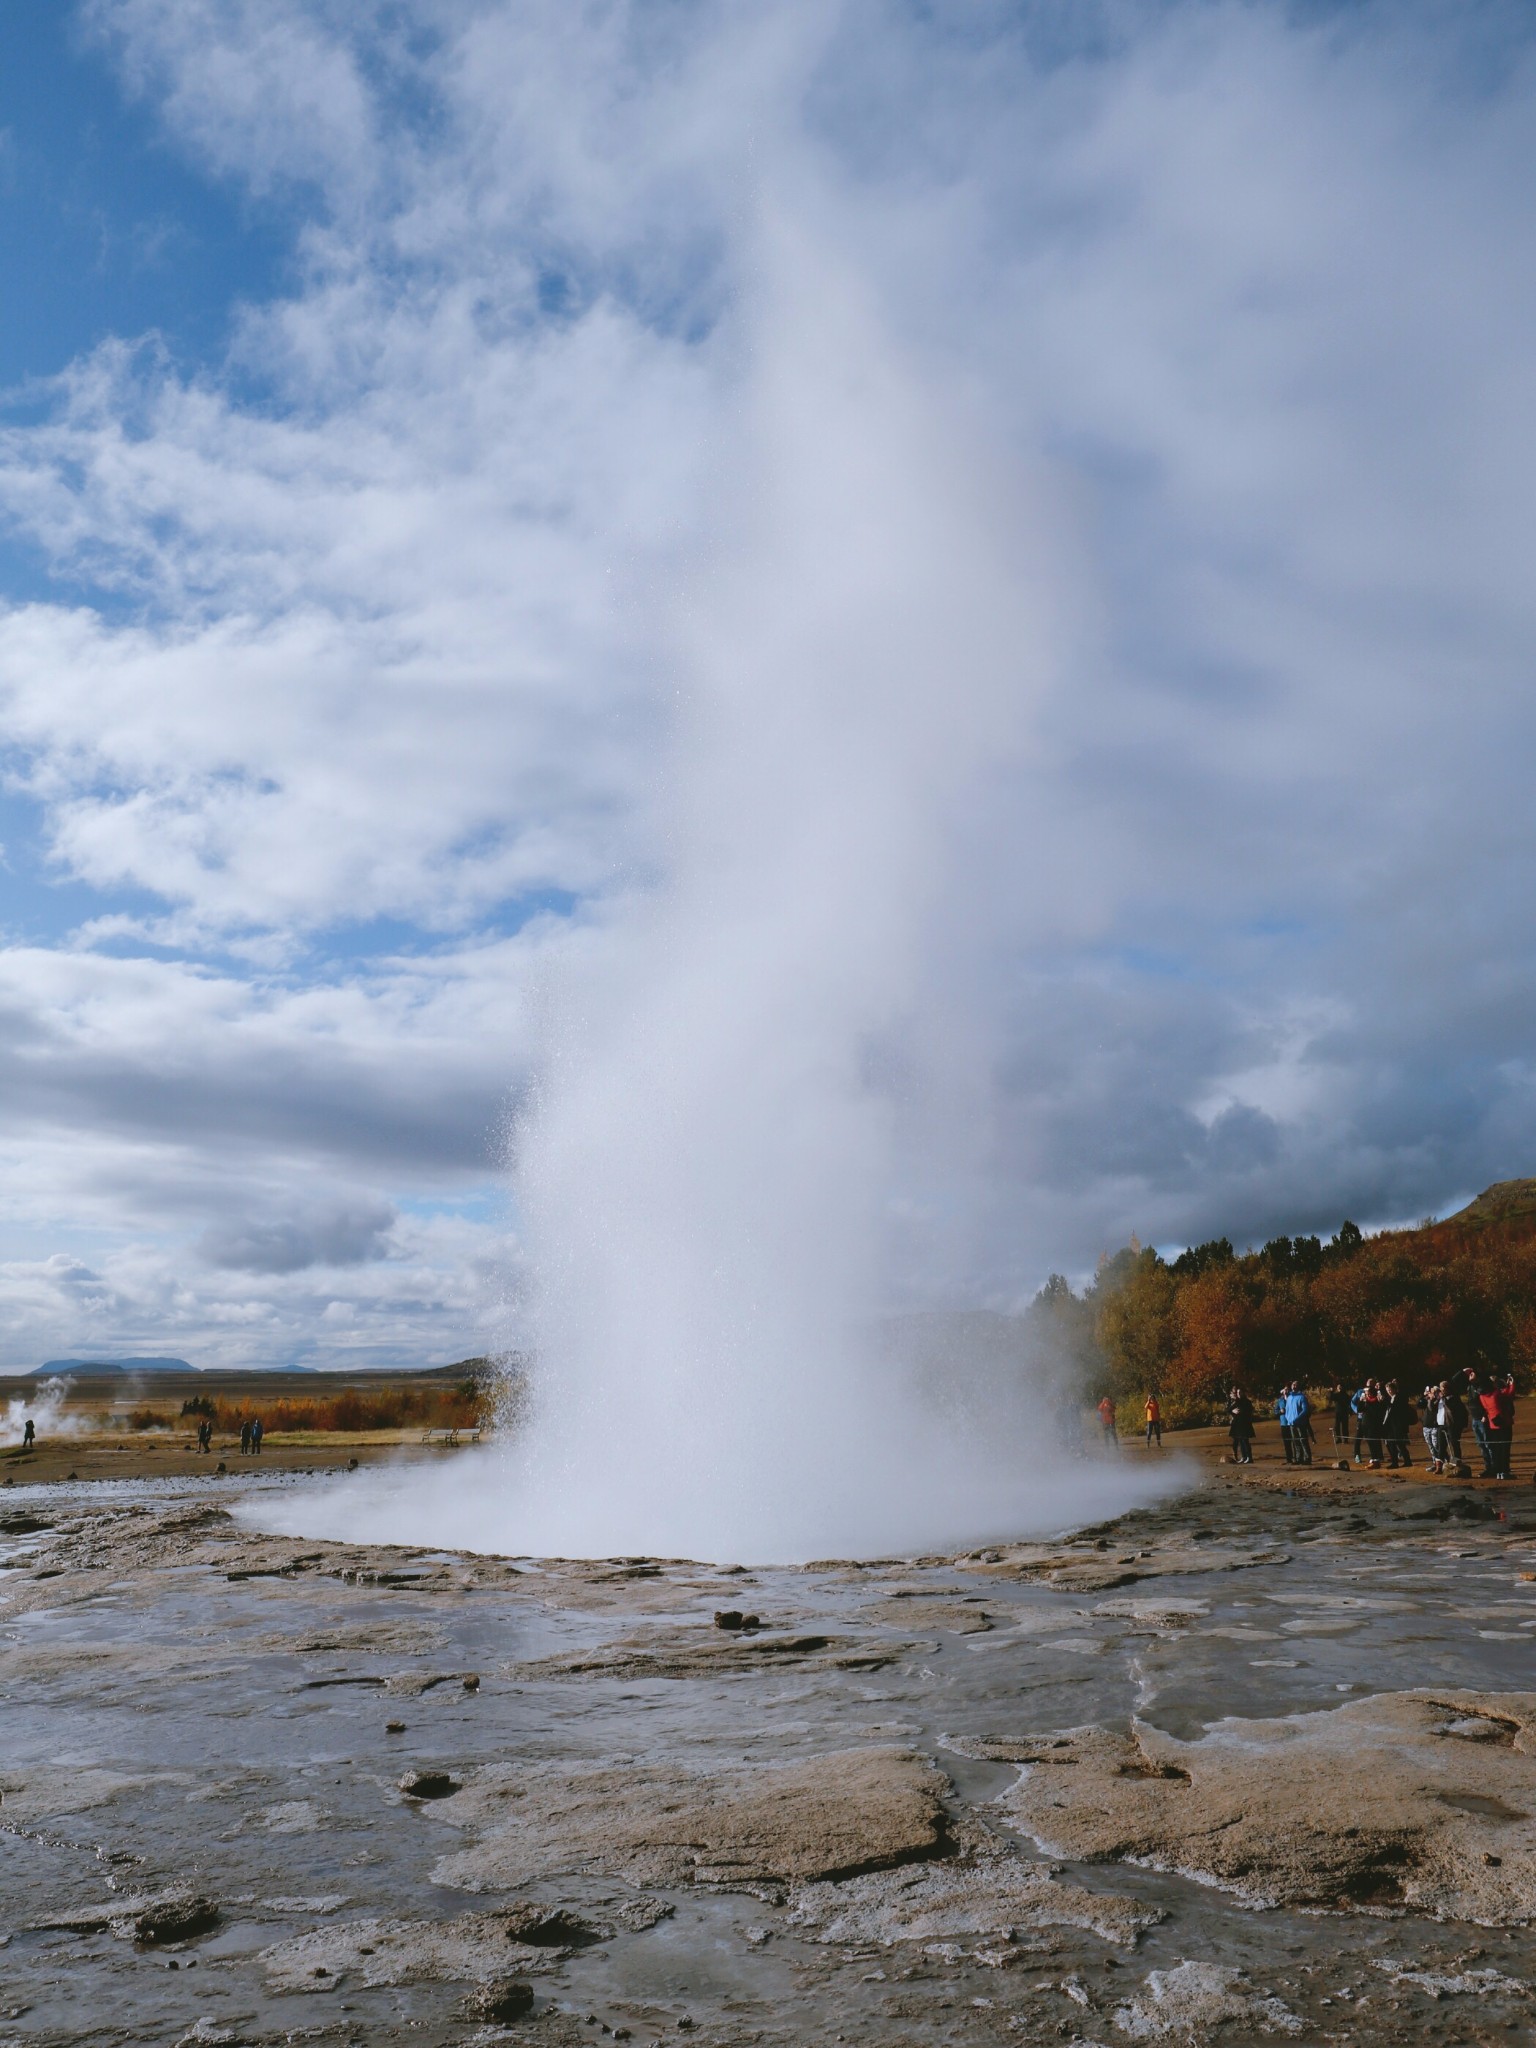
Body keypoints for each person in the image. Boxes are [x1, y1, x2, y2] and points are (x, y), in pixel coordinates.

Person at [1481, 1374, 1516, 1481]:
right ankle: (1504, 1471)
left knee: (1497, 1449)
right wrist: (1511, 1384)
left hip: (1493, 1424)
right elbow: (1509, 1394)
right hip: (1503, 1423)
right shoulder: (1497, 1394)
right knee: (1505, 1448)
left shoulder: (1483, 1396)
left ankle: (1499, 1471)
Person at [1465, 1369, 1493, 1476]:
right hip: (1475, 1418)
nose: (1470, 1375)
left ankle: (1493, 1467)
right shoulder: (1471, 1386)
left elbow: (1488, 1401)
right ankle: (1488, 1467)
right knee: (1481, 1444)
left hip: (1482, 1418)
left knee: (1488, 1444)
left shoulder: (1484, 1386)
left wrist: (1485, 1415)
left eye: (1473, 1374)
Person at [1382, 1380, 1415, 1467]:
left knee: (1400, 1444)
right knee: (1391, 1444)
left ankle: (1407, 1461)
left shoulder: (1399, 1397)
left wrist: (1385, 1401)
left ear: (1394, 1389)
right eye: (1387, 1390)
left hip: (1398, 1425)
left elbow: (1396, 1409)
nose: (1389, 1392)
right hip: (1391, 1425)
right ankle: (1395, 1462)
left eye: (1390, 1390)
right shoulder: (1390, 1398)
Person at [1355, 1378, 1387, 1467]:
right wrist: (1361, 1401)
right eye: (1366, 1392)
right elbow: (1359, 1410)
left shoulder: (1377, 1401)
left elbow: (1379, 1411)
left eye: (1368, 1392)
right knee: (1369, 1441)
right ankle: (1374, 1458)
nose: (1366, 1394)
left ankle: (1376, 1459)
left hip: (1374, 1424)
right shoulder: (1365, 1401)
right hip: (1365, 1424)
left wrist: (1369, 1401)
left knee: (1375, 1442)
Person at [1282, 1382, 1313, 1466]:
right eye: (1293, 1384)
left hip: (1300, 1423)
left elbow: (1305, 1410)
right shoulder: (1289, 1397)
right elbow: (1287, 1410)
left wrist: (1297, 1419)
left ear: (1299, 1387)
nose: (1294, 1386)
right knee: (1295, 1442)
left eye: (1296, 1384)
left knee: (1303, 1440)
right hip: (1291, 1423)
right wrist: (1288, 1419)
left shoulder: (1302, 1397)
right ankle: (1298, 1458)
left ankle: (1307, 1458)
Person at [1227, 1386, 1255, 1464]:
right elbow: (1228, 1410)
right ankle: (1244, 1457)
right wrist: (1233, 1411)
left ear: (1243, 1393)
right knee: (1241, 1441)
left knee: (1245, 1441)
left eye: (1240, 1392)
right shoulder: (1237, 1401)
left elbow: (1250, 1411)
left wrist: (1241, 1412)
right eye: (1238, 1393)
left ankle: (1249, 1457)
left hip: (1245, 1423)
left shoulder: (1247, 1402)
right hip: (1238, 1424)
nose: (1239, 1394)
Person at [1276, 1389, 1294, 1464]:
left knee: (1295, 1441)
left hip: (1292, 1423)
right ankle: (1289, 1459)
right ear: (1282, 1391)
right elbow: (1275, 1411)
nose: (1285, 1391)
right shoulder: (1280, 1401)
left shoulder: (1292, 1398)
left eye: (1287, 1390)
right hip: (1284, 1424)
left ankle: (1297, 1458)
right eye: (1284, 1390)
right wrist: (1280, 1411)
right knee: (1286, 1442)